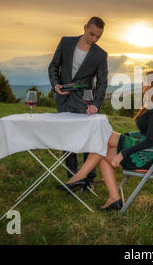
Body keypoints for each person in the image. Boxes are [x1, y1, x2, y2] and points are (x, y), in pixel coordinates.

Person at [56, 71, 153, 211]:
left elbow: (150, 140)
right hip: (147, 151)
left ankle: (79, 178)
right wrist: (125, 135)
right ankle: (112, 198)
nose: (142, 83)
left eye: (145, 81)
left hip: (150, 156)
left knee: (102, 145)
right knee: (102, 148)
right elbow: (145, 133)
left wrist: (123, 154)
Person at [48, 17, 108, 189]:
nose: (94, 39)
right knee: (67, 140)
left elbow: (102, 82)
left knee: (87, 140)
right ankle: (72, 178)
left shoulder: (100, 54)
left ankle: (88, 180)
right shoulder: (65, 42)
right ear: (84, 28)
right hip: (64, 98)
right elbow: (53, 66)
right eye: (92, 34)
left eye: (98, 36)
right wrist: (56, 84)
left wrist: (96, 104)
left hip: (85, 101)